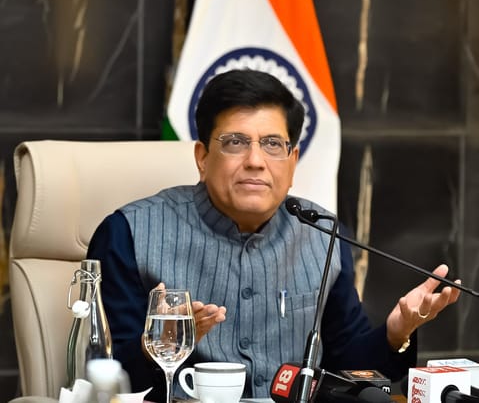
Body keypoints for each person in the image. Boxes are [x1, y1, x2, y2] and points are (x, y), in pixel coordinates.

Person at [87, 69, 460, 402]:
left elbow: (347, 368)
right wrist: (165, 343)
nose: (255, 161)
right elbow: (104, 377)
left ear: (292, 162)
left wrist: (396, 332)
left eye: (272, 144)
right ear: (202, 157)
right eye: (235, 142)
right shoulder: (128, 234)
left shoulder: (322, 236)